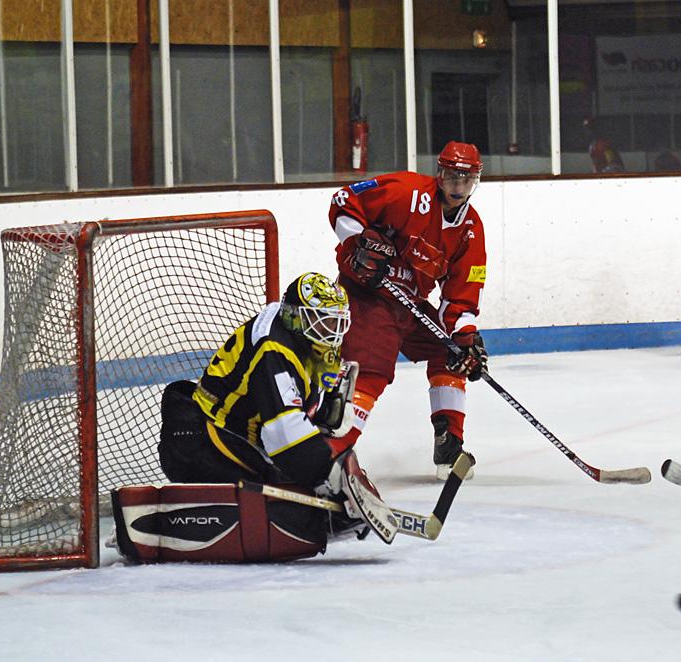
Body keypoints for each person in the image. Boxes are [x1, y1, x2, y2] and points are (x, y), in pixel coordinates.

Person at [156, 271, 396, 547]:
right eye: (325, 322)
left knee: (302, 487)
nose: (332, 331)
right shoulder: (274, 350)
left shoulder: (303, 338)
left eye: (337, 323)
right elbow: (285, 432)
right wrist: (328, 474)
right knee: (295, 506)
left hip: (238, 436)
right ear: (298, 317)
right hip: (201, 441)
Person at [327, 141, 489, 480]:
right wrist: (356, 243)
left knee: (452, 352)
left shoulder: (470, 231)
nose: (457, 187)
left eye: (465, 179)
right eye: (450, 177)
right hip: (367, 295)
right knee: (372, 369)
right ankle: (332, 454)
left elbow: (461, 294)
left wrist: (464, 335)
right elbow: (344, 200)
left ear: (475, 181)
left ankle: (449, 445)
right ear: (439, 174)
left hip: (408, 305)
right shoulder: (408, 191)